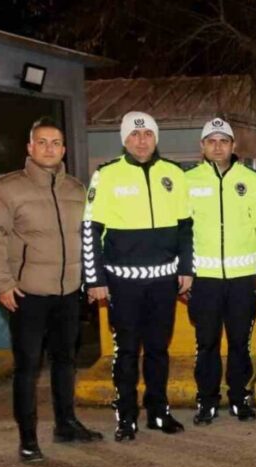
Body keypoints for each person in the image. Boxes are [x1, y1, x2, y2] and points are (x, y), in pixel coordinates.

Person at [0, 117, 104, 462]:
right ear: (30, 148)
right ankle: (28, 438)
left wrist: (92, 281)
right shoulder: (6, 189)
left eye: (56, 143)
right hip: (26, 294)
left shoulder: (77, 189)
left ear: (63, 149)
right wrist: (2, 284)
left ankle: (65, 423)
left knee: (66, 361)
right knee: (28, 366)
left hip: (68, 293)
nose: (49, 148)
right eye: (42, 142)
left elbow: (90, 239)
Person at [83, 111, 193, 441]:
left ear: (155, 138)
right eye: (134, 135)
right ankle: (126, 416)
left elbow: (186, 227)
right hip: (122, 283)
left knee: (159, 350)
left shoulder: (174, 174)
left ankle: (158, 413)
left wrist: (187, 269)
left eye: (147, 134)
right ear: (124, 139)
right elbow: (90, 230)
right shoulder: (106, 175)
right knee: (127, 351)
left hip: (164, 282)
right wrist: (95, 279)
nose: (141, 140)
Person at [185, 117, 256, 425]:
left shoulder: (253, 180)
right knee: (206, 343)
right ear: (202, 146)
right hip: (204, 280)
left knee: (239, 343)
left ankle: (239, 398)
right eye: (212, 141)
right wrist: (184, 271)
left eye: (223, 141)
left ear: (233, 146)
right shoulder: (188, 181)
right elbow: (182, 230)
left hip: (242, 278)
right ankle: (206, 401)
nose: (218, 146)